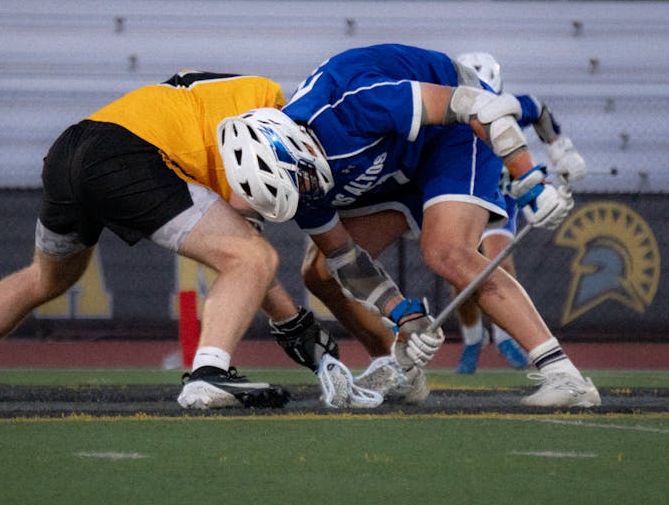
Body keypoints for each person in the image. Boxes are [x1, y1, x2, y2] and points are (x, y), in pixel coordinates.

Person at [0, 72, 343, 409]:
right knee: (250, 254)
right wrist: (291, 319)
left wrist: (289, 319)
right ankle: (209, 372)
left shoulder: (211, 116)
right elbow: (247, 254)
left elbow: (243, 250)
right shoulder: (266, 103)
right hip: (127, 154)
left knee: (44, 279)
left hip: (70, 150)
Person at [218, 43, 600, 407]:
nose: (306, 193)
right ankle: (397, 365)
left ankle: (563, 375)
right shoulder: (294, 181)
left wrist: (530, 180)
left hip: (454, 130)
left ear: (294, 145)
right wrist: (405, 315)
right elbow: (344, 257)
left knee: (447, 252)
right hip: (396, 159)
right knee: (320, 272)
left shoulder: (350, 103)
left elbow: (479, 106)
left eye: (300, 183)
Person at [452, 52, 587, 374]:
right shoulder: (449, 112)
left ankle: (503, 336)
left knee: (500, 262)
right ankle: (473, 339)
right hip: (464, 198)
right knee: (457, 273)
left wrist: (558, 149)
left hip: (500, 197)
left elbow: (539, 110)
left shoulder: (510, 106)